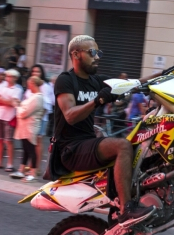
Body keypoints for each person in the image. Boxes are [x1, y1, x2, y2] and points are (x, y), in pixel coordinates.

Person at [54, 35, 154, 223]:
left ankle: (131, 198)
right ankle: (126, 209)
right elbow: (70, 115)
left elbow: (134, 83)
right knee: (122, 146)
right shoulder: (65, 81)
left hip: (88, 142)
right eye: (92, 52)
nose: (98, 57)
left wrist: (167, 74)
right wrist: (98, 100)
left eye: (99, 52)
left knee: (138, 144)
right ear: (76, 54)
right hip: (70, 148)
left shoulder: (96, 80)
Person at [11, 76, 45, 181]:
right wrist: (20, 105)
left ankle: (33, 173)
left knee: (31, 149)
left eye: (29, 84)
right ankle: (22, 170)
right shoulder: (35, 96)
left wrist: (17, 106)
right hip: (26, 127)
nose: (28, 86)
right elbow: (26, 109)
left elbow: (24, 113)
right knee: (26, 149)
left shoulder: (37, 97)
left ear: (33, 84)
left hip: (30, 127)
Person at [0, 69, 23, 171]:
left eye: (10, 76)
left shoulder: (18, 89)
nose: (7, 78)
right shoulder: (1, 86)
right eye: (6, 76)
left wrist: (2, 100)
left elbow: (13, 103)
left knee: (8, 141)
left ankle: (10, 164)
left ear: (15, 78)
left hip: (10, 117)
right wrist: (7, 100)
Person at [24, 64, 53, 174]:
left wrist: (39, 117)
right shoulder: (30, 84)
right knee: (31, 142)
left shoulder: (45, 86)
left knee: (38, 142)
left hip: (40, 118)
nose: (35, 74)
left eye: (38, 72)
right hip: (30, 118)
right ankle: (32, 165)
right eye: (33, 71)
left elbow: (47, 104)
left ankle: (36, 168)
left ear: (42, 73)